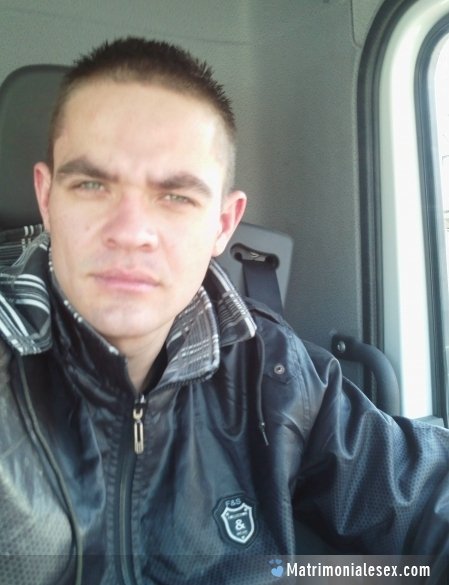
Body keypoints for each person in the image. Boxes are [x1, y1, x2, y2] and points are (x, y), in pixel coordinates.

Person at [0, 37, 448, 585]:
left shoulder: (272, 370)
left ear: (223, 224)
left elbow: (422, 493)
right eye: (92, 184)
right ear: (47, 199)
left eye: (176, 196)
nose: (131, 232)